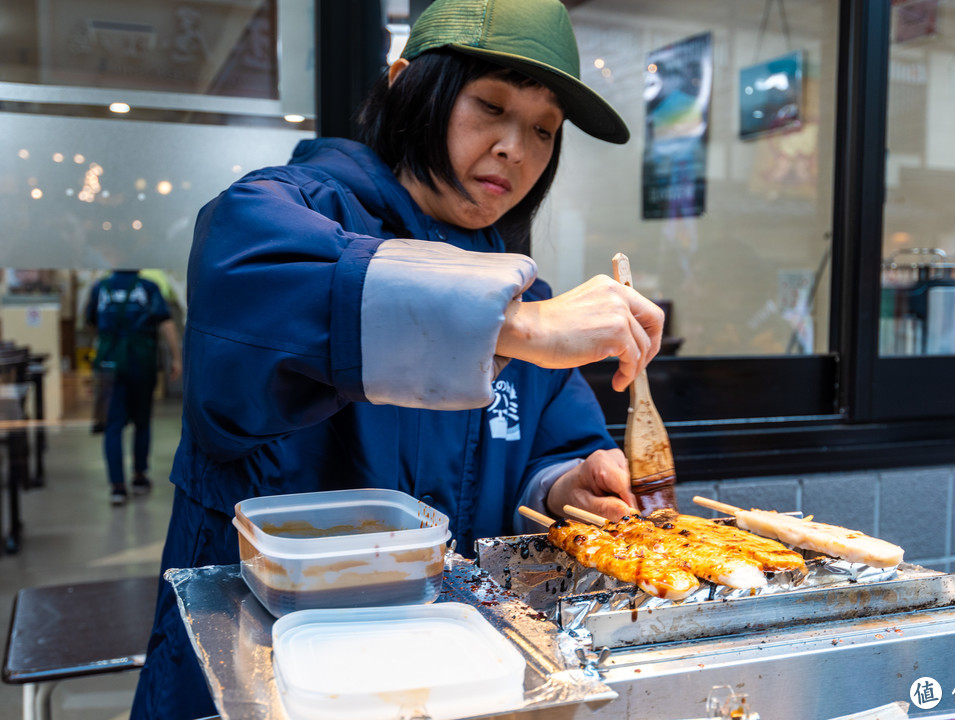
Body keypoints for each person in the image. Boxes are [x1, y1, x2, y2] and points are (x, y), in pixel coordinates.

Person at [131, 0, 663, 717]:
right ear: (407, 84)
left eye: (543, 129)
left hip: (446, 668)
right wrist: (520, 325)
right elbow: (255, 283)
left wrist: (571, 484)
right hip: (269, 674)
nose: (515, 147)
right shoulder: (285, 211)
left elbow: (552, 442)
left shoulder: (522, 295)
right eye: (490, 106)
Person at [84, 269, 182, 505]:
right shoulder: (148, 287)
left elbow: (91, 323)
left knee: (112, 426)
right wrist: (176, 357)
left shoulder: (101, 287)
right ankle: (139, 477)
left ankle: (117, 487)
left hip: (109, 363)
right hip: (141, 361)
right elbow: (166, 323)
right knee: (141, 422)